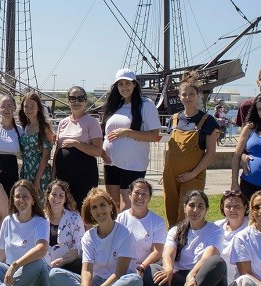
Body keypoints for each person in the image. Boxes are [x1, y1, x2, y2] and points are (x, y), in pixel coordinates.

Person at [143, 190, 227, 286]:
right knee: (151, 269)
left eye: (200, 206)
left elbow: (208, 256)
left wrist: (191, 276)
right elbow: (168, 253)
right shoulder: (176, 230)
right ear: (184, 208)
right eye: (192, 205)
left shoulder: (215, 230)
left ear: (206, 209)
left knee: (217, 262)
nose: (195, 210)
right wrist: (168, 269)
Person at [49, 188, 143, 286]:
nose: (99, 210)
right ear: (91, 213)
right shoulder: (89, 236)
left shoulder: (125, 234)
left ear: (111, 207)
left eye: (102, 205)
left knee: (135, 280)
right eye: (94, 207)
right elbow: (87, 270)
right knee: (54, 274)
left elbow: (120, 272)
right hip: (96, 283)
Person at [162, 72, 219, 225]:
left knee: (188, 213)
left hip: (194, 175)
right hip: (170, 176)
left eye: (191, 94)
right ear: (179, 97)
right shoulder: (173, 119)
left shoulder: (208, 121)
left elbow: (211, 153)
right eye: (184, 94)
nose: (187, 98)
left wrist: (192, 173)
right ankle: (174, 245)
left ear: (198, 95)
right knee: (171, 211)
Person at [101, 69, 160, 210]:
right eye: (120, 84)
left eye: (127, 83)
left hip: (133, 165)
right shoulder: (115, 105)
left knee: (127, 208)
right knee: (112, 207)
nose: (124, 87)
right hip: (111, 164)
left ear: (134, 84)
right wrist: (102, 150)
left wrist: (127, 132)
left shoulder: (146, 105)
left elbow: (154, 135)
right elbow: (106, 133)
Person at [52, 85, 107, 204]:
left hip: (84, 175)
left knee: (82, 209)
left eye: (80, 98)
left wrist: (76, 144)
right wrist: (53, 174)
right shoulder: (63, 123)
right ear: (68, 101)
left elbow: (97, 151)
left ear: (85, 101)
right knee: (63, 208)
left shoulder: (92, 123)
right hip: (63, 174)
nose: (76, 101)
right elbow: (57, 150)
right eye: (72, 98)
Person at [115, 179, 167, 282]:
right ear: (129, 195)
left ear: (149, 198)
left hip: (146, 267)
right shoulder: (119, 219)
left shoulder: (158, 222)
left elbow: (157, 251)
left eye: (144, 194)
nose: (140, 197)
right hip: (122, 265)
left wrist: (141, 267)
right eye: (137, 193)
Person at [43, 179, 84, 274]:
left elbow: (79, 248)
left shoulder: (75, 219)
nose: (57, 198)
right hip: (43, 264)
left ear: (65, 199)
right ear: (48, 196)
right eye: (54, 194)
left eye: (61, 195)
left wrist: (57, 263)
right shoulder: (40, 219)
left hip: (68, 264)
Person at [17, 92, 54, 195]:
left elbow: (46, 156)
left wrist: (37, 179)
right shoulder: (26, 127)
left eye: (32, 106)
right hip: (26, 170)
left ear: (38, 107)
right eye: (26, 106)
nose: (29, 109)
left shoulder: (44, 127)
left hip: (40, 172)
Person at [216, 189, 249, 286]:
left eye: (237, 206)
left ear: (245, 207)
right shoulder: (216, 227)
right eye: (228, 206)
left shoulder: (252, 228)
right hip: (218, 279)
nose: (232, 210)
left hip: (243, 280)